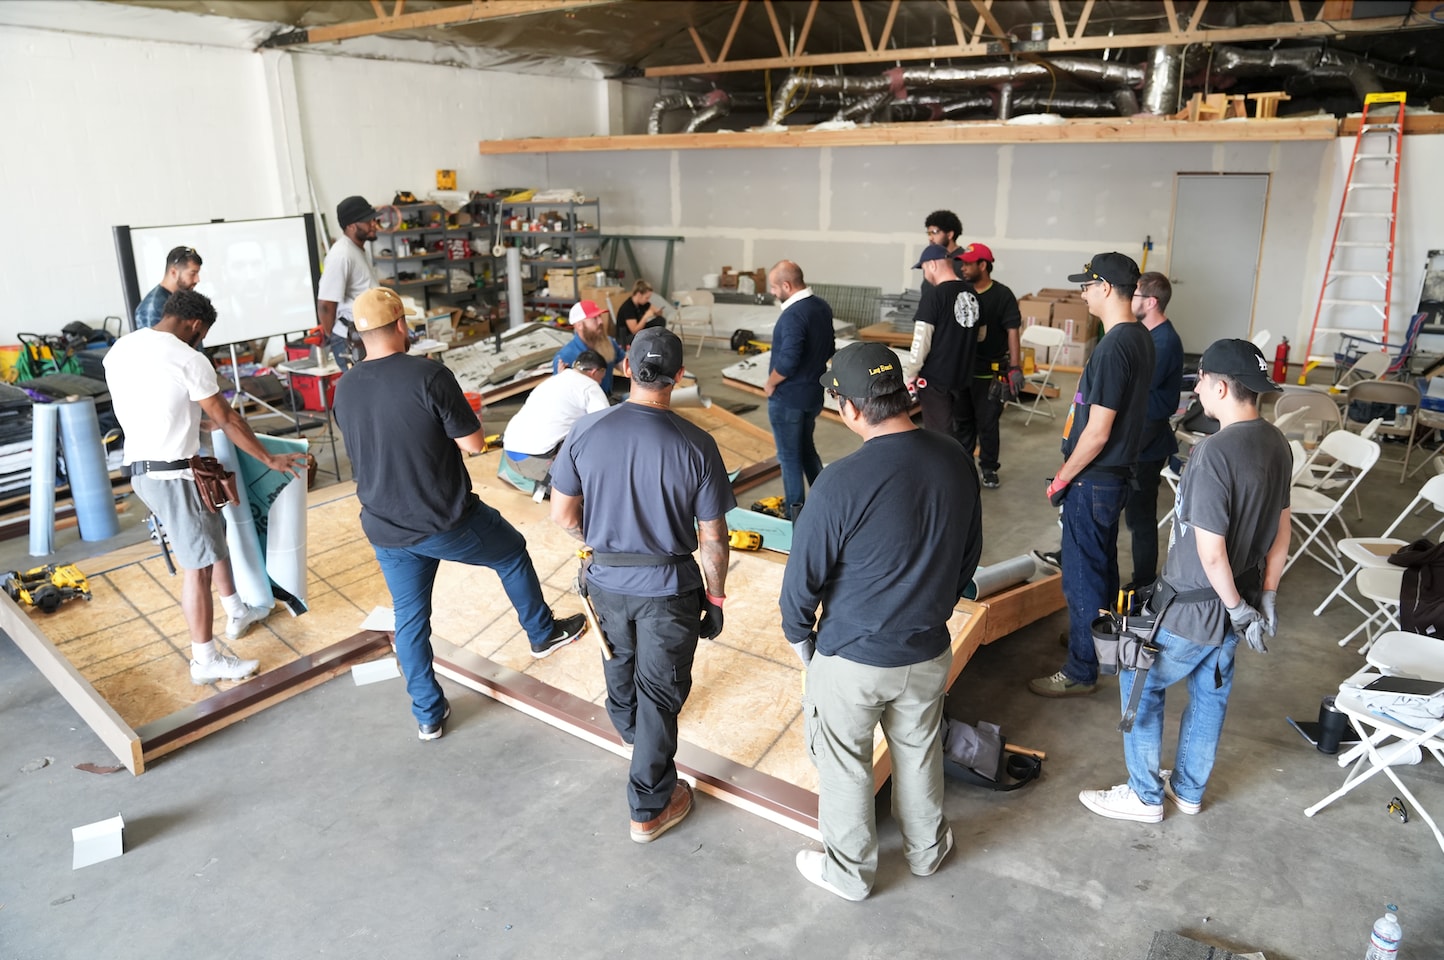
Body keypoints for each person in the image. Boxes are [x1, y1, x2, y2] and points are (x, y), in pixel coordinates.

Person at [333, 287, 587, 741]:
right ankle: (542, 634)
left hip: (385, 525)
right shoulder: (429, 375)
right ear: (401, 325)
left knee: (411, 619)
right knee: (511, 552)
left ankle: (428, 715)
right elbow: (471, 444)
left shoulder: (346, 386)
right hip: (444, 518)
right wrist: (463, 415)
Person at [781, 341, 982, 901]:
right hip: (927, 649)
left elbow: (802, 583)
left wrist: (802, 639)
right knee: (918, 751)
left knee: (845, 763)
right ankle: (927, 852)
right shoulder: (954, 458)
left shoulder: (839, 482)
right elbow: (968, 557)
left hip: (853, 657)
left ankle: (849, 875)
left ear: (849, 408)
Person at [1079, 339, 1289, 822]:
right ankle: (1189, 791)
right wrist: (1265, 596)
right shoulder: (1276, 442)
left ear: (1221, 387)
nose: (1197, 391)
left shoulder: (1214, 452)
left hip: (1198, 606)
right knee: (1210, 691)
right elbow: (1283, 530)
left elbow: (1211, 552)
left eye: (1201, 382)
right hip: (1241, 598)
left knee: (1139, 677)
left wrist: (1235, 607)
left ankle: (1145, 796)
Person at [550, 327, 734, 844]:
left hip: (605, 582)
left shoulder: (586, 431)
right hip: (668, 590)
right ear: (680, 376)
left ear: (627, 368)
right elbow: (713, 537)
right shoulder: (697, 444)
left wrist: (599, 546)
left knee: (619, 661)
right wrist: (715, 598)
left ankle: (633, 734)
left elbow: (563, 515)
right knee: (660, 689)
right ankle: (649, 806)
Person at [104, 290, 308, 683]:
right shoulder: (187, 358)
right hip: (175, 476)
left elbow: (148, 403)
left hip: (141, 471)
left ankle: (236, 609)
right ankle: (205, 660)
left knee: (212, 538)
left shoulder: (121, 349)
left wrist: (194, 422)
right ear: (196, 325)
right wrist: (270, 459)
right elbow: (228, 419)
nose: (201, 342)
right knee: (197, 568)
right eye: (203, 335)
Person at [1029, 252, 1155, 699]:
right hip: (1113, 476)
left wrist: (1062, 478)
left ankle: (1081, 670)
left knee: (1082, 577)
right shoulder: (1138, 337)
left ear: (1104, 288)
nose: (1082, 294)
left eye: (1086, 286)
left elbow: (1098, 431)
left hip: (1093, 477)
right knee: (1101, 567)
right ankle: (1097, 642)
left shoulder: (1115, 346)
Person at [1123, 272, 1185, 592]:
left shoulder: (1163, 342)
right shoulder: (1148, 335)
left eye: (1134, 295)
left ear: (1151, 302)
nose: (1128, 300)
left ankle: (1144, 582)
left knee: (1140, 517)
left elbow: (1135, 387)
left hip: (1147, 442)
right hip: (1137, 436)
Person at [763, 260, 835, 519]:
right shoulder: (821, 307)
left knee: (789, 458)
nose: (772, 293)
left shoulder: (793, 314)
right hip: (812, 396)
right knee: (806, 451)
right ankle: (826, 506)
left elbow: (788, 362)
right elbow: (829, 349)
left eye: (774, 287)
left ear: (786, 285)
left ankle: (797, 517)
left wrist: (771, 383)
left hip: (788, 400)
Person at [902, 244, 980, 455]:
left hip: (936, 382)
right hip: (964, 378)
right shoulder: (972, 293)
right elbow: (981, 334)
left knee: (939, 439)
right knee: (963, 433)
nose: (925, 274)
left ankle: (946, 474)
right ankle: (965, 471)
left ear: (932, 265)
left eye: (924, 269)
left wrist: (911, 373)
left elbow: (921, 341)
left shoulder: (933, 296)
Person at [957, 243, 1023, 489]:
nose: (963, 268)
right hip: (963, 372)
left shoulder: (1002, 295)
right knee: (962, 423)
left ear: (983, 265)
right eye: (962, 263)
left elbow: (1013, 330)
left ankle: (988, 468)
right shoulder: (961, 293)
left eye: (968, 264)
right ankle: (963, 467)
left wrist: (1015, 367)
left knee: (987, 424)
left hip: (990, 373)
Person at [498, 350, 609, 494]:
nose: (600, 382)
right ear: (595, 372)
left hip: (509, 456)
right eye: (601, 378)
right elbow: (606, 425)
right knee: (591, 439)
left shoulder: (553, 380)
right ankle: (551, 487)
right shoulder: (590, 385)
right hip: (536, 462)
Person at [317, 195, 381, 371]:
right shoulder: (341, 255)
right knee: (363, 387)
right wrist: (335, 338)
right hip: (350, 339)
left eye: (374, 219)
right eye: (367, 221)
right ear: (351, 226)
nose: (374, 224)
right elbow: (325, 305)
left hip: (366, 334)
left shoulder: (357, 250)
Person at [553, 299, 621, 395]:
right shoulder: (565, 357)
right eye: (594, 318)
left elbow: (624, 365)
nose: (601, 321)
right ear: (579, 325)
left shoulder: (608, 342)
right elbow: (560, 395)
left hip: (609, 399)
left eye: (600, 316)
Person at [133, 246, 202, 330]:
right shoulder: (152, 308)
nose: (197, 279)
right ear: (173, 272)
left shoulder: (184, 298)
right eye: (192, 274)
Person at [921, 210, 965, 296]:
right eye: (929, 233)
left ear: (950, 235)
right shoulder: (931, 259)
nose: (930, 238)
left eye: (934, 233)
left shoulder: (965, 261)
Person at [615, 280, 665, 350]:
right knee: (643, 335)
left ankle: (654, 341)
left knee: (660, 320)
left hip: (638, 332)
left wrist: (658, 312)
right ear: (639, 294)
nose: (647, 300)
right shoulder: (628, 307)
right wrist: (645, 317)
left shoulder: (642, 303)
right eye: (646, 298)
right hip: (626, 337)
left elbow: (655, 310)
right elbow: (634, 331)